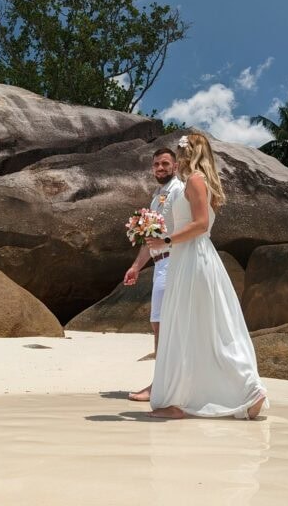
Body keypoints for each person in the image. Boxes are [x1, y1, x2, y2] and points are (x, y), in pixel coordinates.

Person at [144, 132, 268, 420]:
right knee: (198, 328)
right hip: (190, 256)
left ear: (190, 153)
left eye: (181, 152)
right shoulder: (199, 181)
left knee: (196, 326)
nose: (178, 158)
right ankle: (188, 397)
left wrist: (166, 242)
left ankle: (243, 390)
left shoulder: (196, 181)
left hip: (192, 256)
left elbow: (200, 225)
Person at [123, 147, 185, 402]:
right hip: (160, 264)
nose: (160, 168)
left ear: (176, 166)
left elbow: (186, 228)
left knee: (164, 326)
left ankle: (161, 385)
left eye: (165, 164)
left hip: (174, 263)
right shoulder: (157, 196)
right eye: (157, 164)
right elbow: (151, 239)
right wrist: (136, 266)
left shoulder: (179, 192)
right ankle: (162, 382)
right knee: (159, 325)